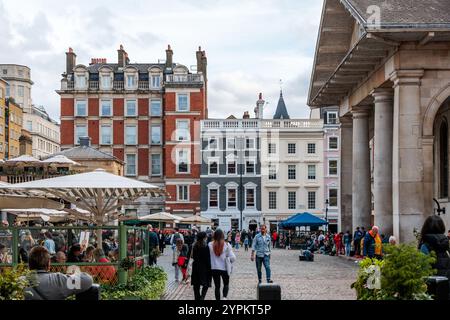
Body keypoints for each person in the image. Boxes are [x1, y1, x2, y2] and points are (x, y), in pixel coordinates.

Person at [23, 246, 93, 300]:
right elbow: (88, 280)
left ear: (29, 265)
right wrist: (71, 276)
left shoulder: (19, 282)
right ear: (48, 264)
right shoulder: (58, 280)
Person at [419, 215, 450, 280]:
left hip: (432, 284)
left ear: (426, 227)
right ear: (442, 227)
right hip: (446, 283)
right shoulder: (446, 243)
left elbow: (423, 269)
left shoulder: (425, 246)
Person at [208, 229, 236, 300]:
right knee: (226, 284)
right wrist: (229, 260)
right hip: (224, 268)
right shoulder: (227, 245)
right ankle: (224, 297)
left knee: (217, 286)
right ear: (223, 235)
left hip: (214, 268)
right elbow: (233, 258)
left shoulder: (210, 244)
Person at [191, 232, 212, 300]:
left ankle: (197, 298)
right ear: (203, 238)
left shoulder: (194, 245)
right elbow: (208, 258)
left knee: (196, 285)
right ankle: (202, 297)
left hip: (196, 267)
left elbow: (192, 256)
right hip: (204, 268)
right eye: (205, 237)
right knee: (206, 283)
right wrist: (209, 268)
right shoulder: (206, 246)